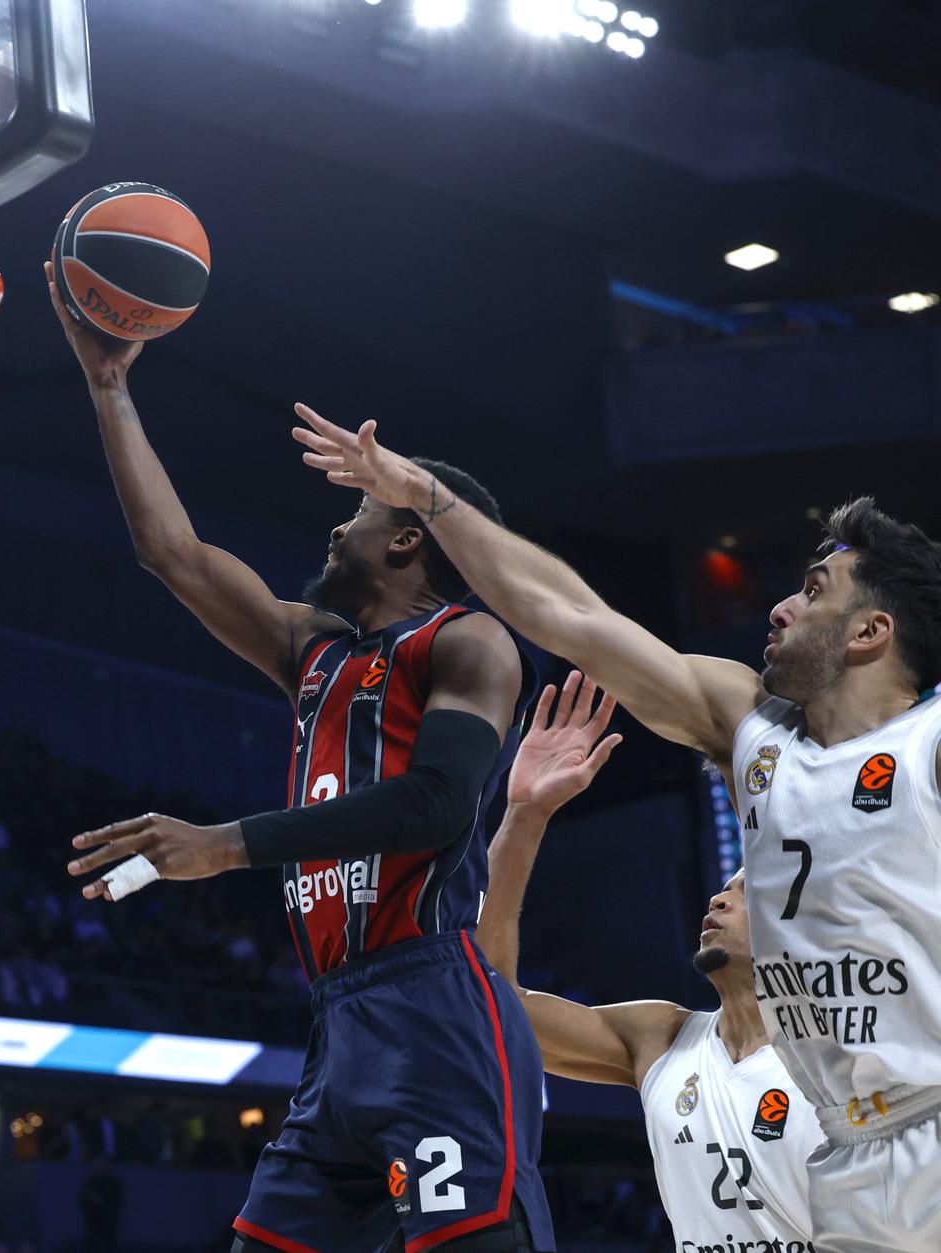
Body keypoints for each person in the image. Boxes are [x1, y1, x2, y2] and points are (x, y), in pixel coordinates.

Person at [291, 403, 941, 1249]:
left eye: (813, 592)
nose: (779, 608)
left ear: (870, 632)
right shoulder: (751, 728)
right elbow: (568, 614)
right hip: (853, 1157)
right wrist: (425, 496)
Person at [51, 279, 551, 1251]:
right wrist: (109, 386)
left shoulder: (469, 642)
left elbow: (439, 804)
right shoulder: (311, 651)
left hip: (433, 1005)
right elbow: (173, 554)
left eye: (357, 511)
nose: (334, 527)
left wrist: (226, 845)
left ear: (408, 536)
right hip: (340, 1024)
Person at [480, 673, 820, 1245]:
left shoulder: (848, 1043)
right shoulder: (661, 1038)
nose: (718, 897)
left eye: (745, 890)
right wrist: (525, 814)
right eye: (723, 887)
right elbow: (490, 1001)